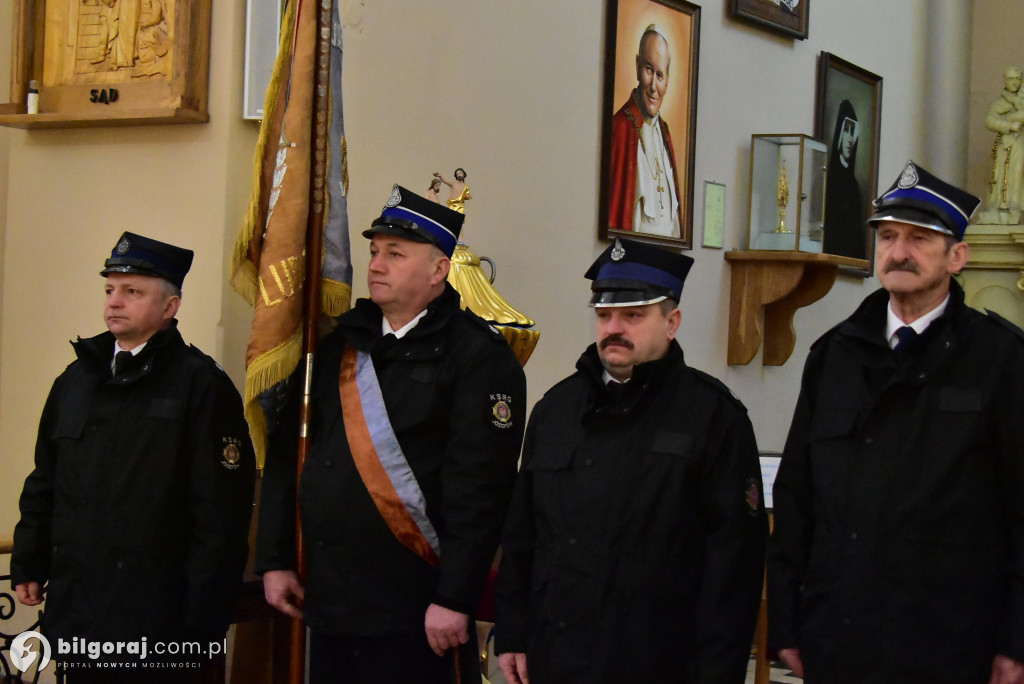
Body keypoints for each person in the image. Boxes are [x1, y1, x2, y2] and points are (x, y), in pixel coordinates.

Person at [256, 184, 526, 683]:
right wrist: (275, 558)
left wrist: (454, 597)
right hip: (330, 598)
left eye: (395, 254)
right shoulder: (338, 349)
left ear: (438, 270)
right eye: (375, 251)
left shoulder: (478, 359)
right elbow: (287, 456)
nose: (376, 265)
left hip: (417, 608)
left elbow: (481, 491)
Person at [767, 160, 1024, 683]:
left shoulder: (1000, 359)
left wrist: (1017, 640)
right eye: (887, 236)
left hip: (952, 637)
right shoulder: (835, 353)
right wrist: (786, 624)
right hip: (842, 631)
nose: (898, 252)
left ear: (957, 256)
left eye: (919, 239)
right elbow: (798, 496)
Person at [495, 237, 768, 683]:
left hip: (660, 659)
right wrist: (511, 632)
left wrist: (719, 671)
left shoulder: (712, 416)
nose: (613, 328)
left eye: (633, 315)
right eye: (604, 315)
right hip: (558, 653)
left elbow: (733, 566)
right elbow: (523, 536)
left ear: (672, 322)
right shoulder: (556, 410)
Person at [11, 232, 256, 682]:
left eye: (133, 291)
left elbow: (220, 511)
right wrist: (29, 558)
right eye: (110, 290)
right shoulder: (76, 380)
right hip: (81, 606)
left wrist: (204, 614)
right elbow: (46, 479)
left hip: (158, 613)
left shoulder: (199, 385)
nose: (115, 302)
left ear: (169, 307)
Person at [607, 25, 684, 238]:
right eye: (649, 69)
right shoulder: (620, 127)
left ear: (667, 81)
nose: (653, 86)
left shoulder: (665, 134)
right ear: (637, 67)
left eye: (660, 75)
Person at [981, 66, 1024, 225]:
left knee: (1018, 174)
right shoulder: (1001, 103)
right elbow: (990, 121)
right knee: (1005, 176)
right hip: (1006, 145)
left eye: (1018, 79)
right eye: (1011, 79)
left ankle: (1016, 208)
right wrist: (1009, 125)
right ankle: (1005, 208)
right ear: (1005, 81)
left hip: (1021, 143)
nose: (1015, 82)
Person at [823, 99, 865, 258]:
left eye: (853, 132)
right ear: (840, 132)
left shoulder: (853, 186)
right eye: (846, 130)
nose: (850, 138)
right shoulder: (827, 180)